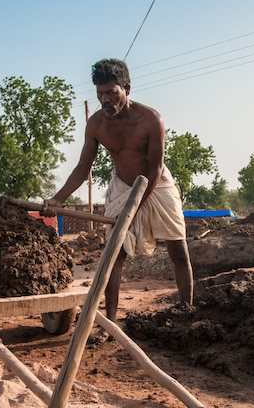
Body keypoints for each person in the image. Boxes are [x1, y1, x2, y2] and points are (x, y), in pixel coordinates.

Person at [44, 58, 193, 322]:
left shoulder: (150, 119)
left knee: (178, 250)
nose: (105, 99)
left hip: (156, 186)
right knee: (113, 255)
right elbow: (82, 168)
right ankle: (111, 323)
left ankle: (186, 313)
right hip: (123, 187)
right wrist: (58, 199)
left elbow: (155, 169)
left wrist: (134, 208)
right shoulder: (96, 124)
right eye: (100, 93)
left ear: (127, 88)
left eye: (111, 92)